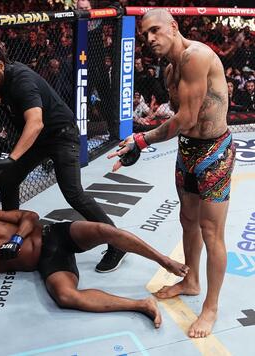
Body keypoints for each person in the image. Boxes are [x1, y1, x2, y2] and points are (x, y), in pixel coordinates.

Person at [107, 9, 236, 338]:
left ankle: (211, 307)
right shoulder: (168, 70)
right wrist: (140, 143)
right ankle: (191, 280)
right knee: (187, 220)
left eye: (155, 31)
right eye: (144, 35)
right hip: (187, 151)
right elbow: (181, 122)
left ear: (173, 27)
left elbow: (189, 118)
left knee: (211, 231)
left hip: (214, 152)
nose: (149, 39)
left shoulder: (196, 56)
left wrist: (141, 138)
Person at [0, 46, 125, 273]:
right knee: (8, 179)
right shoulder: (0, 84)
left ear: (1, 66)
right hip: (40, 141)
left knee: (73, 193)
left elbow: (36, 122)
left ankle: (117, 243)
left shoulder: (21, 81)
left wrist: (13, 157)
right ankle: (14, 236)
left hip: (62, 135)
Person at [0, 209, 189, 327]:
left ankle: (164, 260)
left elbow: (30, 216)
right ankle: (142, 305)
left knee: (103, 230)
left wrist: (17, 239)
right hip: (49, 261)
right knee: (66, 296)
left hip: (54, 234)